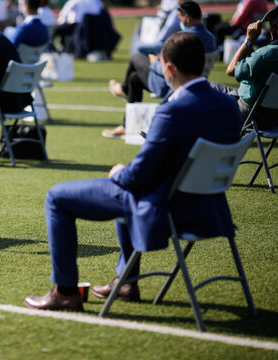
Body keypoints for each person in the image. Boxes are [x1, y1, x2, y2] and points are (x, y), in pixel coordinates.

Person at [24, 32, 243, 311]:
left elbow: (137, 177)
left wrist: (118, 172)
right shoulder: (228, 105)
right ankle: (126, 281)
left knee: (57, 196)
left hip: (168, 205)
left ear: (169, 68)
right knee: (128, 184)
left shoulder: (173, 110)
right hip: (210, 206)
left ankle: (65, 291)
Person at [104, 1, 216, 139]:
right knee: (134, 78)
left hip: (171, 85)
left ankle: (124, 92)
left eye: (179, 18)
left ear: (186, 18)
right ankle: (127, 124)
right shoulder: (210, 38)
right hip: (196, 82)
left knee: (136, 58)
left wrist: (155, 63)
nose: (179, 21)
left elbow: (171, 70)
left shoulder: (185, 40)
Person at [210, 7, 278, 126]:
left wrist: (249, 40)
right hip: (275, 117)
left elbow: (231, 69)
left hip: (254, 112)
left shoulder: (267, 53)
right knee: (213, 86)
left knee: (208, 89)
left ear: (275, 29)